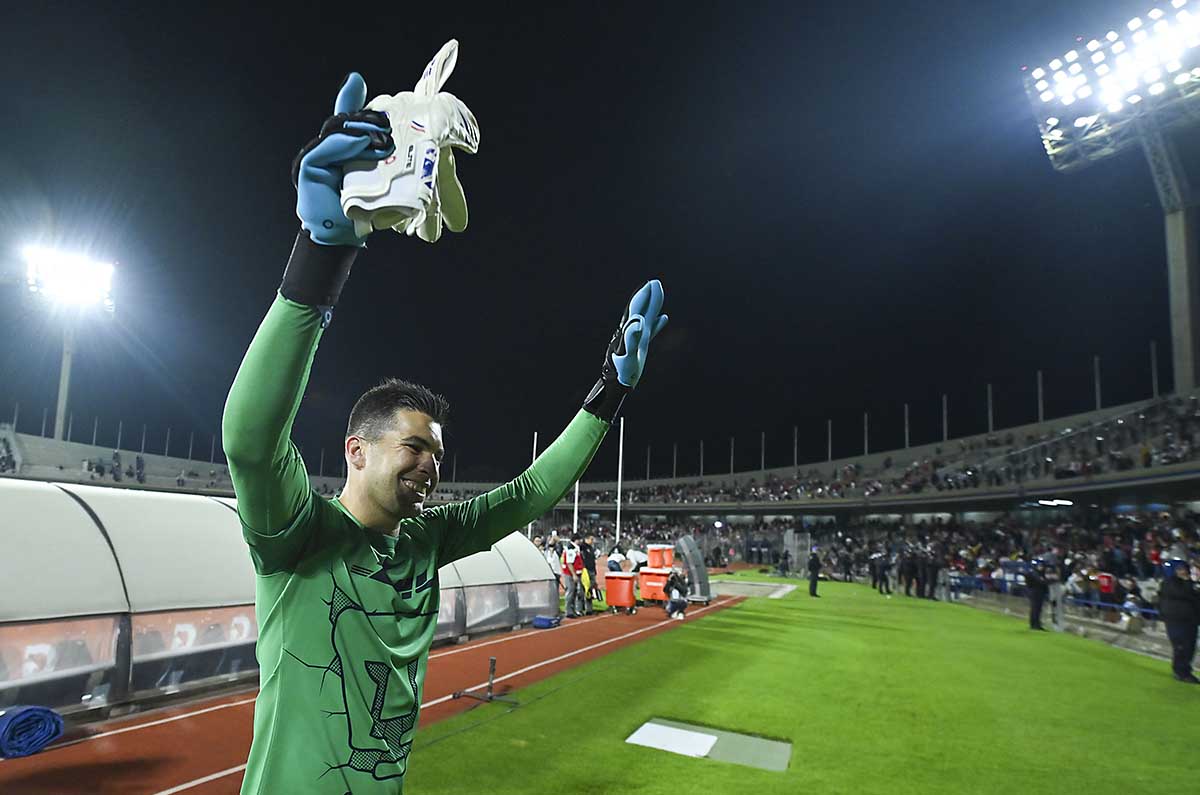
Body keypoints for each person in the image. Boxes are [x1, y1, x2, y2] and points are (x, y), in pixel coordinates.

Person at [223, 71, 669, 794]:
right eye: (414, 446)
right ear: (355, 450)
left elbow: (530, 491)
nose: (432, 465)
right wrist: (322, 249)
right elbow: (249, 437)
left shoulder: (425, 543)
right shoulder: (296, 536)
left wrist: (609, 393)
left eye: (437, 450)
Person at [1158, 559, 1200, 683]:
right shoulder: (1169, 583)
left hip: (1189, 620)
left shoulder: (1188, 584)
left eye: (1184, 569)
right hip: (1177, 621)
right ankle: (1181, 672)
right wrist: (1189, 582)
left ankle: (1184, 670)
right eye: (1180, 569)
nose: (1183, 572)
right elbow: (1184, 594)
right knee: (1182, 646)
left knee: (1189, 647)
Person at [1026, 559, 1050, 631]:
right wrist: (1045, 581)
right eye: (1040, 566)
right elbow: (1040, 581)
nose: (1041, 567)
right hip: (1035, 592)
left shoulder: (1039, 573)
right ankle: (1035, 624)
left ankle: (1036, 624)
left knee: (1037, 609)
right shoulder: (1034, 573)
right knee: (1035, 608)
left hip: (1039, 592)